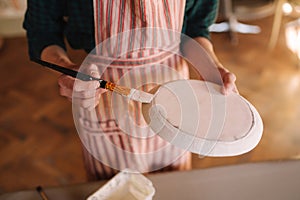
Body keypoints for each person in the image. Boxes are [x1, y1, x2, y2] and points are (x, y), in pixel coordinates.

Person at [24, 0, 238, 180]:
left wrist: (211, 66)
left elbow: (195, 28)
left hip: (174, 98)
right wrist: (69, 70)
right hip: (102, 99)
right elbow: (43, 32)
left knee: (172, 184)